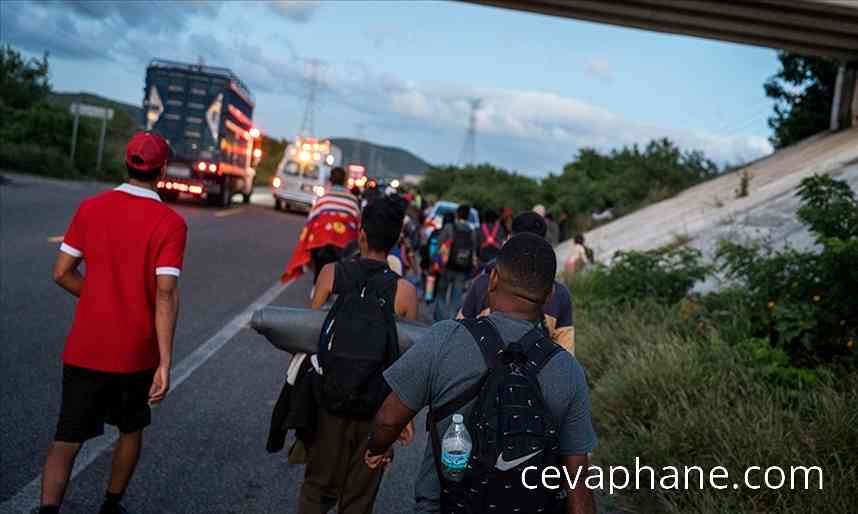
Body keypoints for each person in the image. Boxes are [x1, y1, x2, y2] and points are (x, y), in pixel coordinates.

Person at [365, 234, 597, 514]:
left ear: (494, 280)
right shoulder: (568, 370)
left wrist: (378, 448)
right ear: (549, 296)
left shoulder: (445, 338)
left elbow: (388, 420)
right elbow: (578, 481)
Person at [37, 131, 187, 514]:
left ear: (126, 161)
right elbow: (166, 293)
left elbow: (61, 273)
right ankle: (111, 505)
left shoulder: (91, 207)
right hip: (136, 353)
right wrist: (166, 363)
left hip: (86, 345)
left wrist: (100, 297)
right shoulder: (170, 223)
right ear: (163, 169)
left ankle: (48, 509)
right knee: (131, 428)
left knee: (67, 435)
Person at [301, 196, 419, 514]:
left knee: (317, 486)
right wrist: (402, 418)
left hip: (329, 400)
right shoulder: (405, 293)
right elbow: (406, 360)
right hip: (376, 408)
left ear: (361, 234)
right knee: (359, 498)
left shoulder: (330, 273)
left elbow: (312, 337)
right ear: (396, 242)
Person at [458, 212, 577, 354]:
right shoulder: (560, 294)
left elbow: (459, 335)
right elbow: (566, 354)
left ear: (508, 240)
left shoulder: (483, 283)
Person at [281, 166, 361, 284]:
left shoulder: (323, 198)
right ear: (344, 181)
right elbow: (357, 221)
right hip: (343, 243)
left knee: (313, 244)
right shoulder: (353, 200)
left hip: (321, 240)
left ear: (330, 180)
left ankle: (316, 284)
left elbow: (311, 219)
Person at [433, 204, 477, 321]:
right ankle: (451, 322)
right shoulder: (471, 231)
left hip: (447, 266)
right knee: (456, 297)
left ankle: (439, 321)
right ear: (468, 216)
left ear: (457, 214)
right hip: (462, 268)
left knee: (441, 294)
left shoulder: (449, 227)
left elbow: (438, 243)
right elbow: (473, 250)